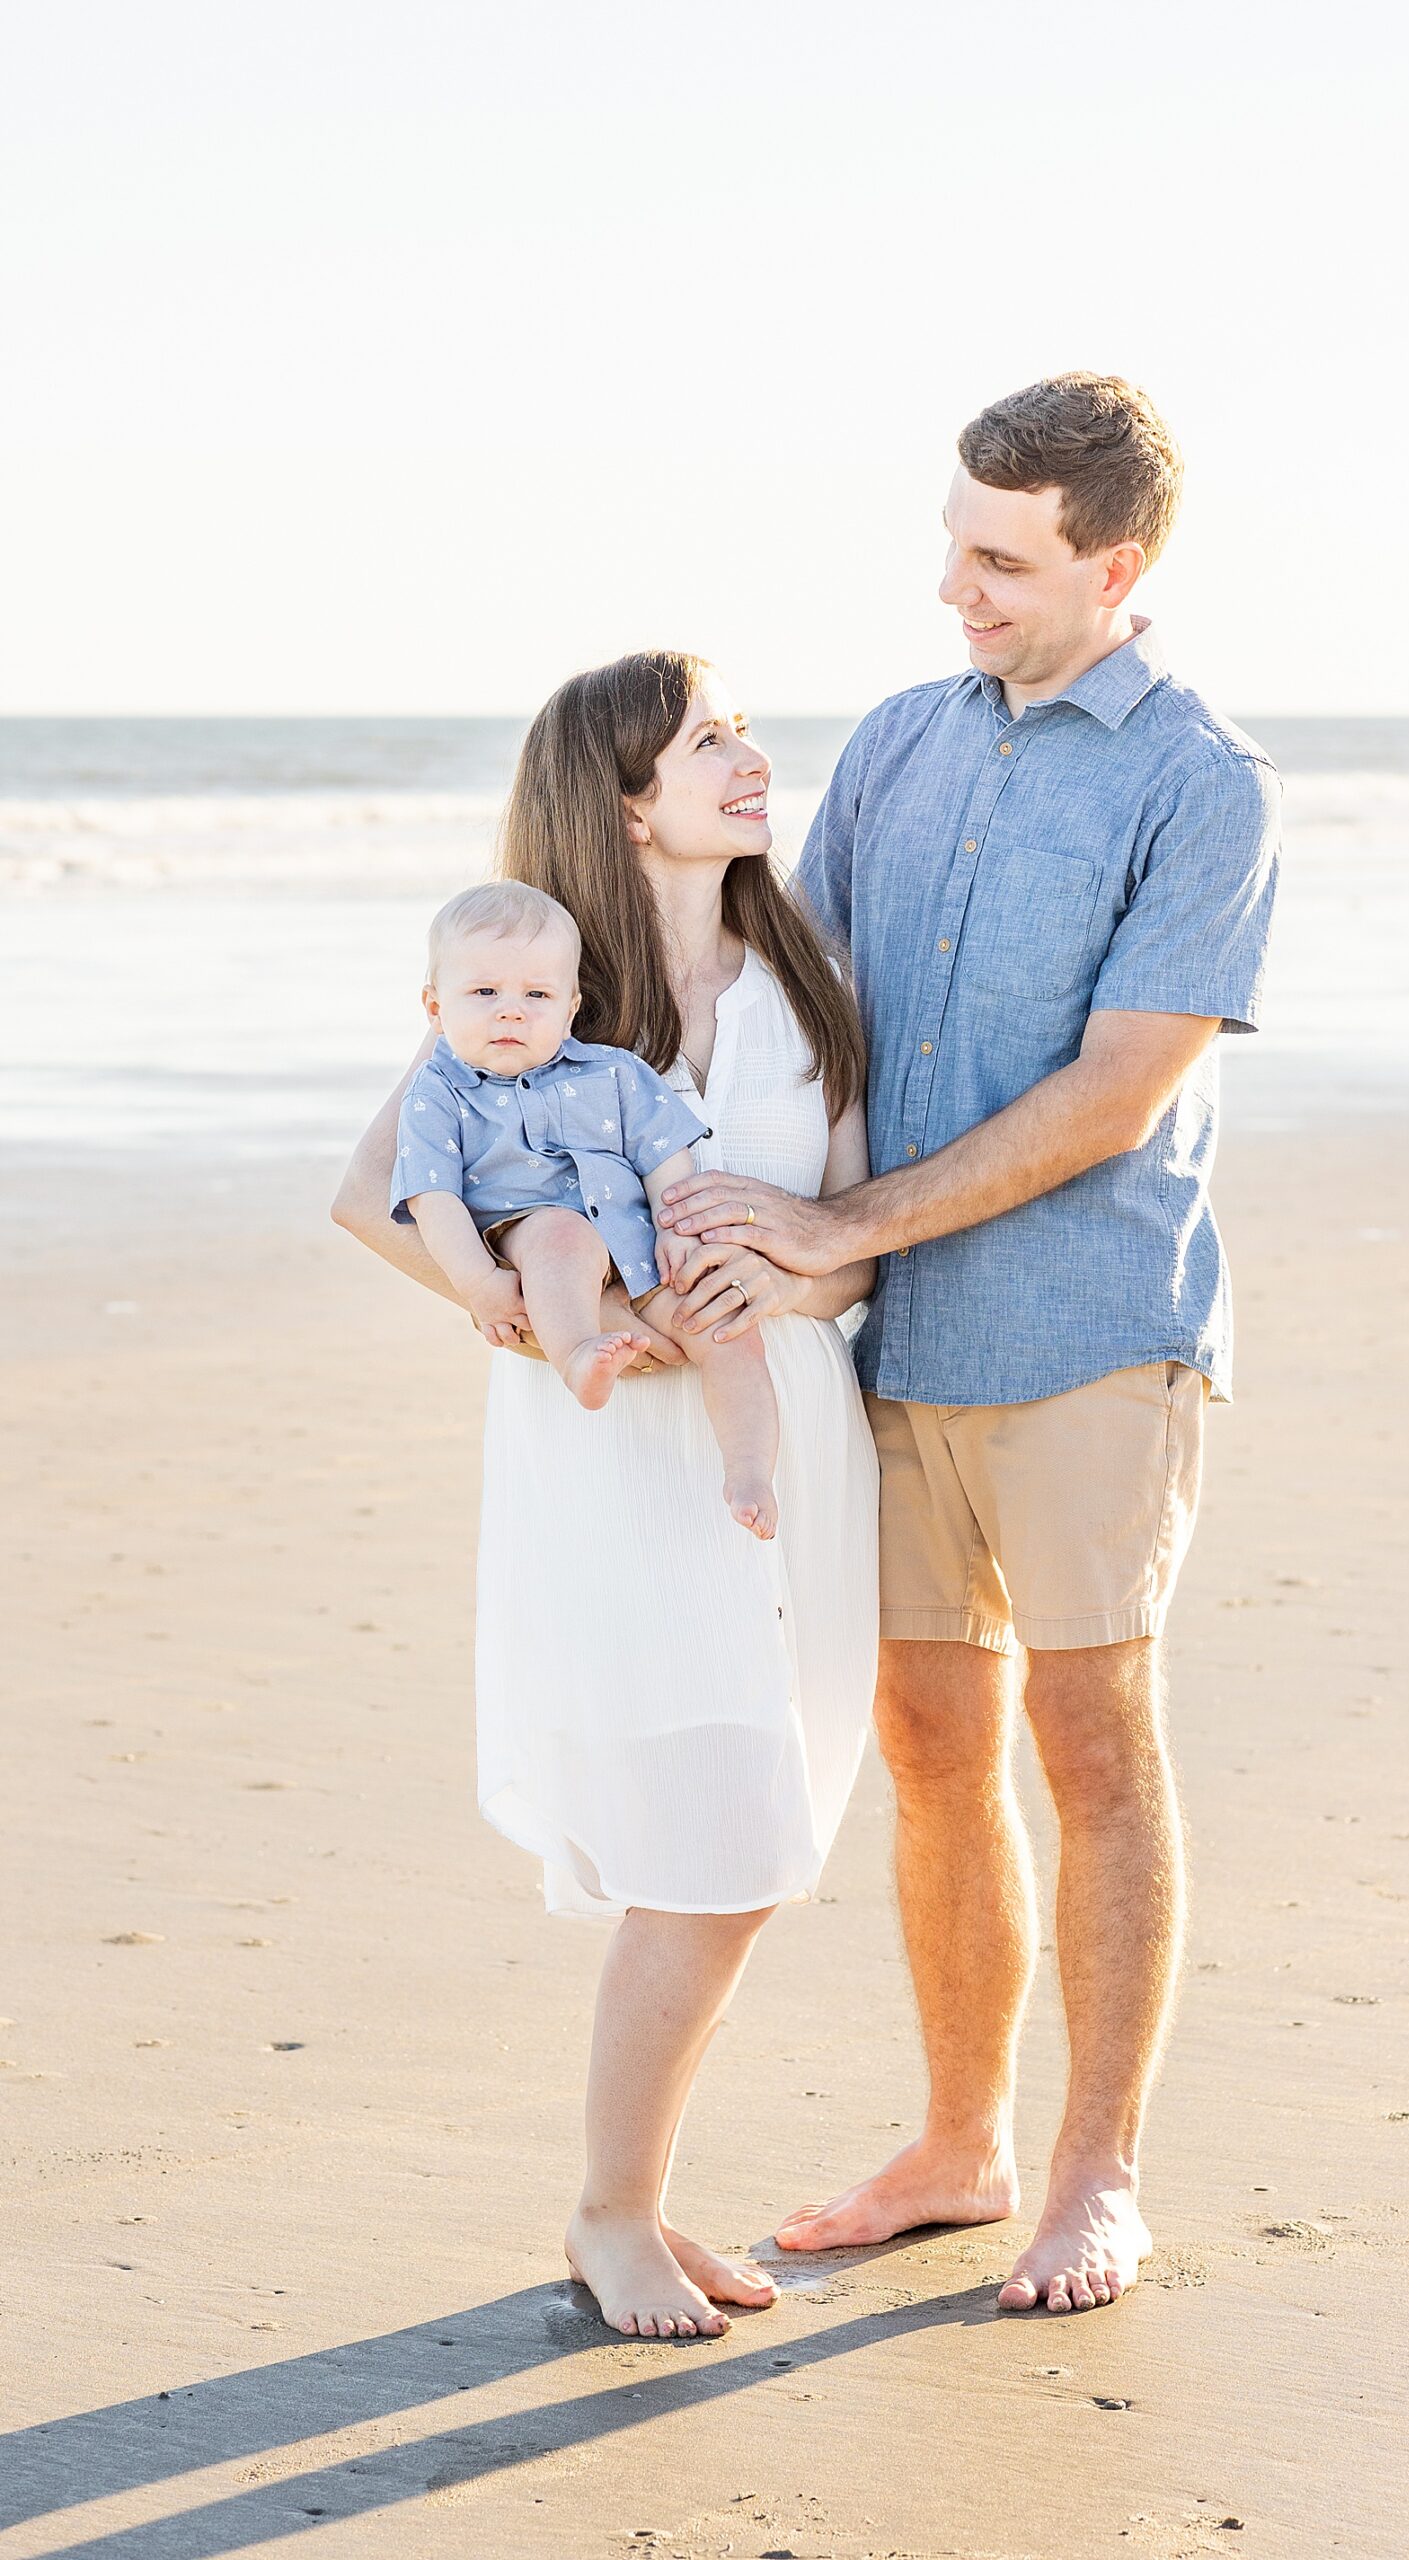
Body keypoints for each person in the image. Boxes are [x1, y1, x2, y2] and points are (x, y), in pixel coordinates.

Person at [658, 372, 1281, 2316]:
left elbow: (1117, 1088)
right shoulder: (903, 745)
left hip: (1092, 1321)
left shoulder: (1200, 778)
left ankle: (1093, 2170)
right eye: (950, 541)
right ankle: (958, 2139)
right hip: (896, 1335)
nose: (955, 587)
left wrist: (846, 1225)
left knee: (1086, 1734)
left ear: (1116, 562)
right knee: (928, 1739)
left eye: (999, 558)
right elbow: (791, 1007)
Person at [332, 652, 878, 2338]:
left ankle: (634, 2197)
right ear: (625, 794)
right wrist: (554, 1317)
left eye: (736, 732)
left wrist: (783, 1295)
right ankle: (611, 2212)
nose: (748, 758)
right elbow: (375, 1196)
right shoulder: (536, 994)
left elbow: (846, 1233)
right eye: (708, 740)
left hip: (782, 1441)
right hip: (609, 1457)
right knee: (708, 1852)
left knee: (743, 1848)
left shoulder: (806, 974)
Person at [391, 879, 783, 1536]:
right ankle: (577, 1353)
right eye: (484, 993)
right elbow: (433, 1198)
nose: (511, 1012)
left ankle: (749, 1468)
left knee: (727, 1326)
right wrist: (480, 1284)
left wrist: (675, 1231)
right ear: (435, 1007)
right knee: (559, 1234)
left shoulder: (612, 1073)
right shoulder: (438, 1092)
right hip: (536, 1236)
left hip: (635, 1246)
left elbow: (664, 1154)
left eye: (536, 995)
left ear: (571, 1008)